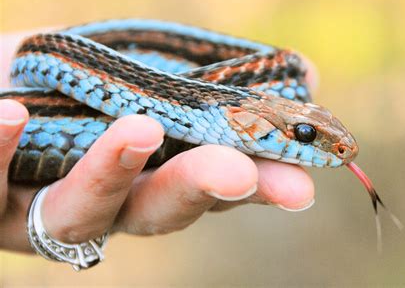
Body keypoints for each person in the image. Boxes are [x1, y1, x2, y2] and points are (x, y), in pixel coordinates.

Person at [0, 30, 316, 255]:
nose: (338, 151)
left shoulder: (261, 87)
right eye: (305, 135)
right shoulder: (214, 102)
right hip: (47, 62)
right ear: (239, 116)